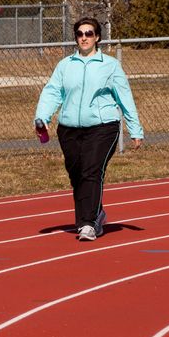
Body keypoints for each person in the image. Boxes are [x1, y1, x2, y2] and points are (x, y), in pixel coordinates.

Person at [34, 17, 144, 242]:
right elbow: (53, 92)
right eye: (80, 34)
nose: (84, 37)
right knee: (77, 175)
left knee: (91, 171)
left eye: (89, 33)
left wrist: (135, 129)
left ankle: (88, 223)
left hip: (103, 127)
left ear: (98, 38)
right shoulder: (65, 65)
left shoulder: (110, 65)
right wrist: (42, 117)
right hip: (69, 129)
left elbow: (124, 98)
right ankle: (96, 213)